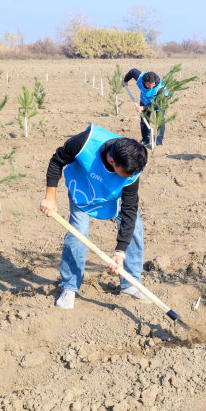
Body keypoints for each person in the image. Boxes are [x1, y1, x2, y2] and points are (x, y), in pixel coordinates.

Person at [39, 125, 150, 309]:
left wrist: (120, 251)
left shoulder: (131, 169)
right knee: (77, 234)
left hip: (113, 194)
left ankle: (130, 284)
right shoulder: (85, 142)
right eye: (128, 173)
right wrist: (50, 198)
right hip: (83, 190)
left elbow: (129, 210)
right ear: (113, 161)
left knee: (135, 228)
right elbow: (57, 160)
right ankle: (69, 288)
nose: (132, 176)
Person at [122, 69, 169, 147]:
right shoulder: (140, 77)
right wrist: (125, 80)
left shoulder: (160, 89)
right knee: (144, 120)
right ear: (143, 81)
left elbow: (158, 104)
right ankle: (145, 140)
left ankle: (158, 141)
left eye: (153, 85)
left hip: (160, 102)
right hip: (145, 99)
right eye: (148, 85)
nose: (151, 87)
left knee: (159, 121)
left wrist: (144, 107)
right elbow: (132, 71)